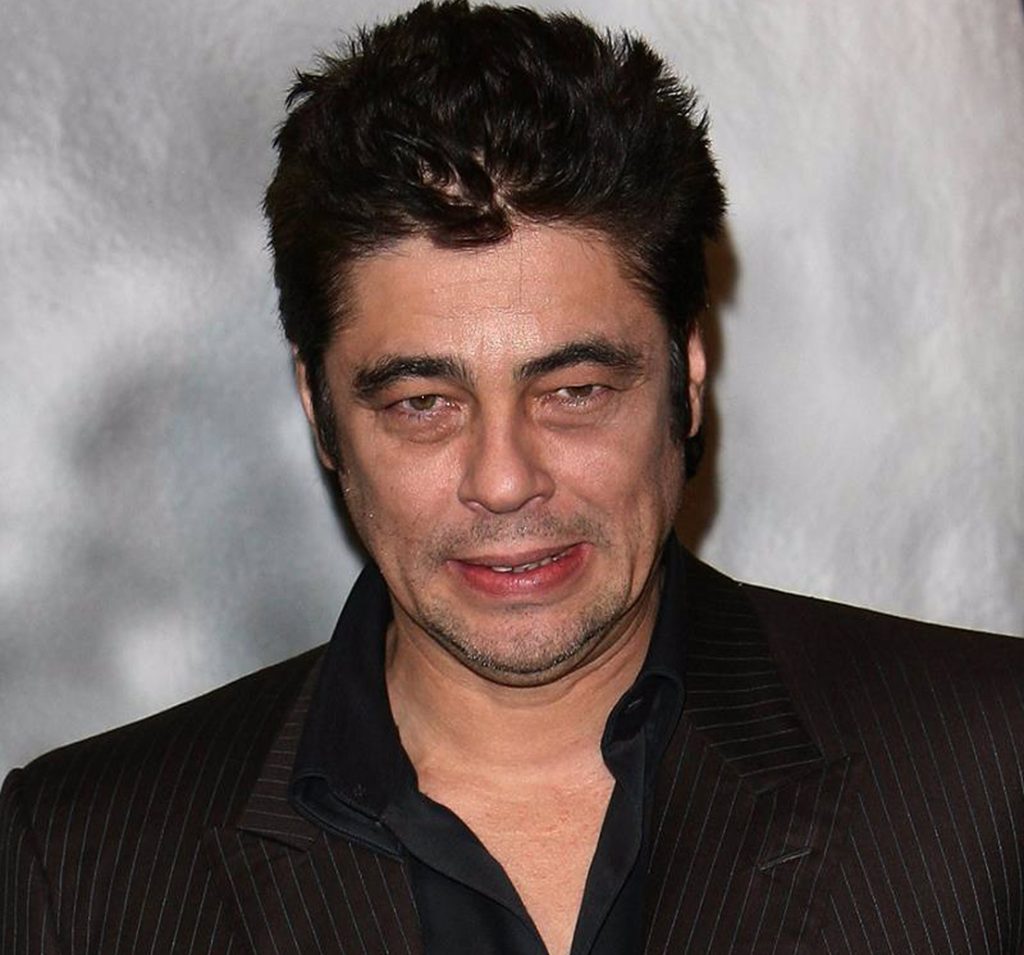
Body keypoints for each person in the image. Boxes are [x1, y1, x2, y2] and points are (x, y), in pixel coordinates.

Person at [2, 2, 1022, 953]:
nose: (503, 479)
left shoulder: (990, 772)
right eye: (422, 403)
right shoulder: (82, 861)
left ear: (686, 380)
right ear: (321, 414)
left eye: (574, 390)